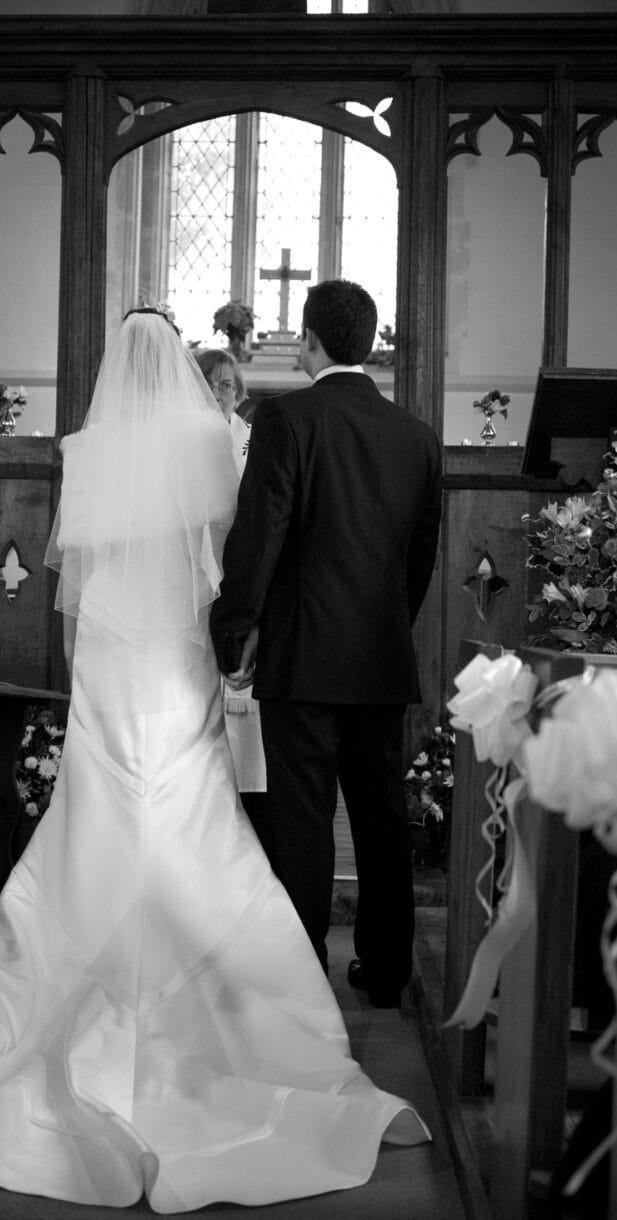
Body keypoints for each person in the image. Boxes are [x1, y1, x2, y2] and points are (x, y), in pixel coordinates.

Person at [0, 305, 429, 1211]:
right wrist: (230, 633)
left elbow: (74, 585)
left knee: (107, 789)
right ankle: (296, 983)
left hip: (116, 638)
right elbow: (238, 545)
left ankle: (84, 962)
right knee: (215, 799)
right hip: (190, 637)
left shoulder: (90, 447)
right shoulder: (222, 434)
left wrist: (89, 672)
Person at [210, 278, 442, 1008]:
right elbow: (420, 557)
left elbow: (261, 531)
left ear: (308, 340)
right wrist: (384, 630)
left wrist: (235, 627)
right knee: (379, 821)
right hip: (378, 660)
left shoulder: (288, 419)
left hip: (302, 656)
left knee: (303, 819)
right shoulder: (416, 436)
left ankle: (302, 968)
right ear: (369, 343)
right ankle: (384, 969)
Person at [195, 347, 269, 845]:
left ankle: (251, 826)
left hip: (242, 587)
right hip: (197, 585)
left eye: (230, 385)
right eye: (213, 383)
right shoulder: (186, 445)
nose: (223, 393)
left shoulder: (254, 442)